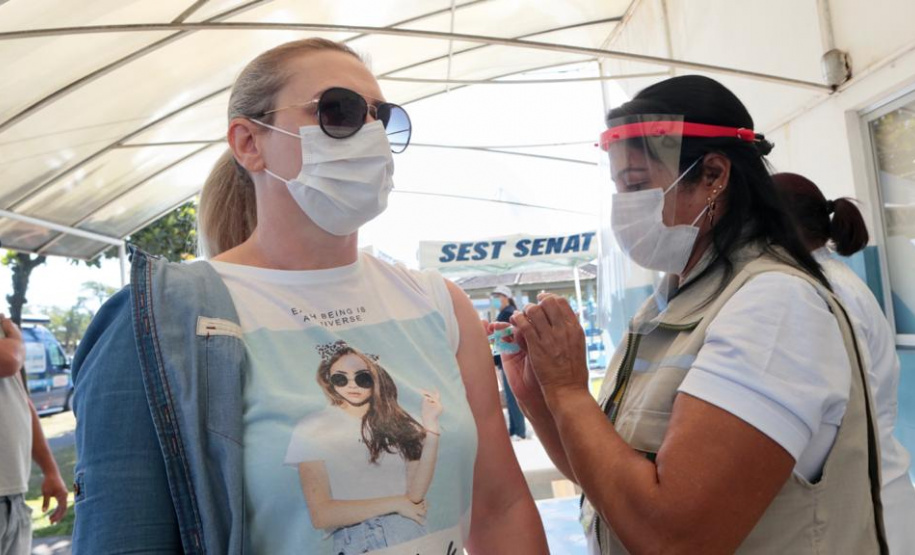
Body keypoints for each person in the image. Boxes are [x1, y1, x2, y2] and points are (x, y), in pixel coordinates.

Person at [71, 38, 547, 554]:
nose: (370, 133)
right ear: (249, 142)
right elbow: (123, 536)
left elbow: (500, 508)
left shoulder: (438, 304)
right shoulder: (161, 320)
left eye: (381, 117)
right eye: (337, 110)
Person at [492, 75, 889, 553]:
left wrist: (569, 391)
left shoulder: (775, 307)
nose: (624, 207)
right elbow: (603, 477)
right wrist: (540, 394)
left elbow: (675, 538)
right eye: (618, 188)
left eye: (636, 184)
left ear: (714, 176)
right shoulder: (667, 306)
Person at [773, 171, 915, 553]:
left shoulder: (821, 292)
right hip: (876, 492)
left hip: (867, 504)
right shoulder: (832, 281)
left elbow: (848, 405)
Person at [284, 340, 442, 553]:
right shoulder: (312, 427)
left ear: (376, 379)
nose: (352, 385)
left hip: (408, 534)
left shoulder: (399, 423)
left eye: (362, 378)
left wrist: (431, 428)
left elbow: (415, 496)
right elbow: (321, 515)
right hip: (357, 541)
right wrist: (396, 503)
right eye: (340, 378)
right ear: (329, 380)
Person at [0, 315, 68, 555]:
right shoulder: (10, 338)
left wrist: (51, 470)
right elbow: (8, 360)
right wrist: (16, 337)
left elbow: (21, 400)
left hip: (13, 498)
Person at [490, 285, 526, 440]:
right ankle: (514, 430)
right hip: (506, 360)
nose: (495, 300)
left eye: (497, 296)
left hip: (510, 360)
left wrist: (497, 360)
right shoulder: (505, 314)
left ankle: (519, 431)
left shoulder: (508, 315)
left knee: (513, 397)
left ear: (505, 297)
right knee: (511, 397)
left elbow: (503, 343)